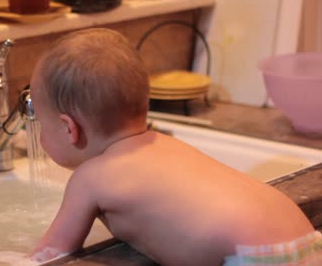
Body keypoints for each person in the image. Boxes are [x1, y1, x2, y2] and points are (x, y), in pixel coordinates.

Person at [28, 28, 322, 265]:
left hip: (253, 258)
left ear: (69, 128)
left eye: (41, 123)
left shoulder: (90, 177)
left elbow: (51, 254)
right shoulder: (165, 143)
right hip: (303, 235)